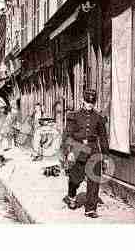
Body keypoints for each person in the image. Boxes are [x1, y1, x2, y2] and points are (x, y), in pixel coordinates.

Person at [61, 89, 109, 218]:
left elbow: (103, 137)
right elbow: (67, 135)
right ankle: (71, 195)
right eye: (88, 102)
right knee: (76, 178)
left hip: (93, 149)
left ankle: (90, 209)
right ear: (83, 100)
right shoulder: (74, 116)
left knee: (94, 179)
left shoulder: (98, 117)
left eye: (92, 102)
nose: (89, 105)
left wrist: (105, 156)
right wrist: (69, 151)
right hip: (78, 148)